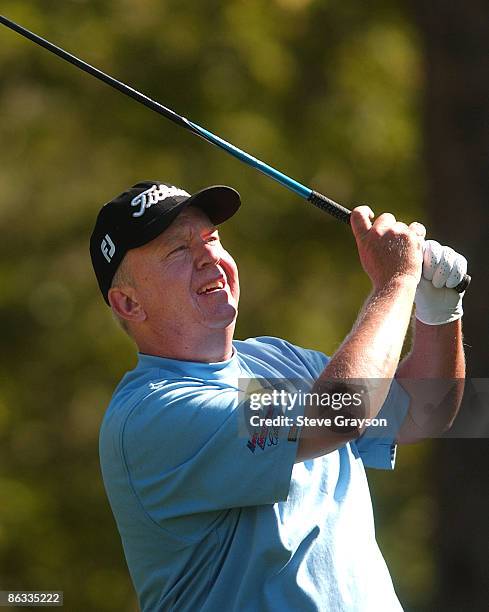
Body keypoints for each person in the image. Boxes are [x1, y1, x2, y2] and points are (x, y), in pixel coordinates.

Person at [90, 181, 467, 611]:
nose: (209, 255)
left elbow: (425, 410)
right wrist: (397, 282)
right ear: (128, 303)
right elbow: (342, 410)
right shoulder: (152, 414)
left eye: (211, 238)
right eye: (178, 250)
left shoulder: (278, 359)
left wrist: (438, 311)